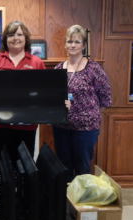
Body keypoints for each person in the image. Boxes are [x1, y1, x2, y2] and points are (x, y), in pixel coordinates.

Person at [0, 20, 71, 163]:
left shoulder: (36, 62)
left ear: (26, 38)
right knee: (0, 166)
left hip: (27, 126)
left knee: (25, 166)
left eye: (19, 34)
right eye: (11, 35)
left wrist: (60, 105)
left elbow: (45, 93)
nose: (15, 38)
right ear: (6, 39)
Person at [52, 24, 111, 182]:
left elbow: (105, 98)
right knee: (63, 168)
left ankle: (82, 205)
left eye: (77, 42)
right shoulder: (58, 69)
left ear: (84, 45)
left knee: (82, 168)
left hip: (85, 129)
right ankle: (65, 204)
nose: (72, 45)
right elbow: (52, 97)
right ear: (64, 44)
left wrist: (89, 114)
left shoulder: (93, 69)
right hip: (61, 127)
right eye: (69, 41)